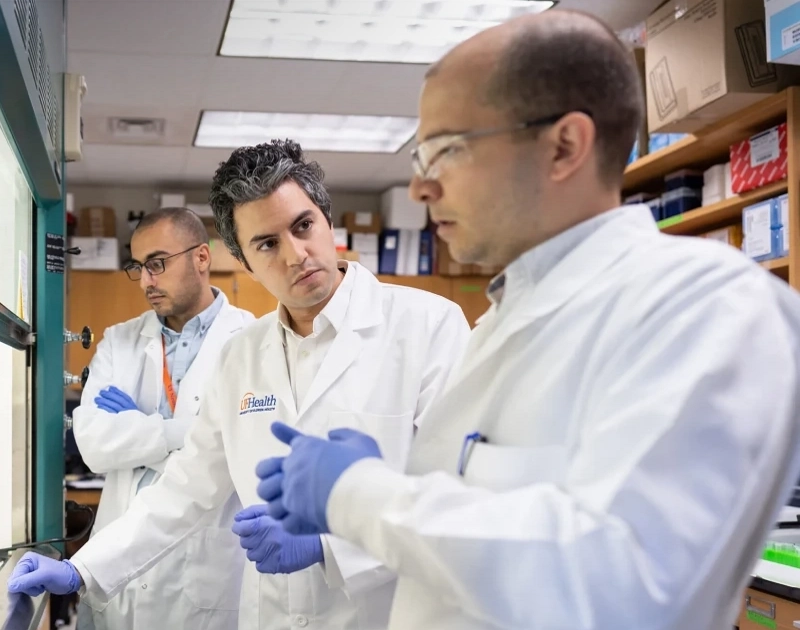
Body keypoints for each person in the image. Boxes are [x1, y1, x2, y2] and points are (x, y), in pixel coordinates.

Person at [254, 10, 800, 630]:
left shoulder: (709, 308)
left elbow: (622, 588)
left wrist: (356, 493)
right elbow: (479, 537)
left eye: (446, 151)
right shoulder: (501, 322)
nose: (421, 189)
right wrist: (384, 481)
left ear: (563, 147)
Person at [8, 140, 472, 629]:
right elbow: (186, 489)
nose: (296, 255)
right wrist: (82, 569)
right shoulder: (242, 354)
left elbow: (460, 500)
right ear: (245, 262)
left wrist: (328, 544)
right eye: (267, 244)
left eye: (303, 226)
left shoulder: (428, 326)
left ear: (327, 221)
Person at [70, 207, 257, 630]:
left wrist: (137, 426)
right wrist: (193, 432)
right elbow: (95, 445)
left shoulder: (251, 341)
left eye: (157, 263)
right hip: (115, 568)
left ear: (202, 257)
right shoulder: (120, 340)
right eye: (138, 267)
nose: (146, 281)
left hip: (202, 572)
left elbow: (239, 451)